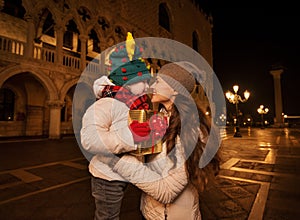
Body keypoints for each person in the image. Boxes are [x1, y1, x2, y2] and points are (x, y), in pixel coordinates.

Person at [98, 61, 221, 219]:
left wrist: (118, 161)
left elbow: (167, 192)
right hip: (149, 212)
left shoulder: (191, 130)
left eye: (158, 81)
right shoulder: (158, 119)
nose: (151, 85)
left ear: (175, 89)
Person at [80, 32, 161, 219]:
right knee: (108, 217)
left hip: (127, 172)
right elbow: (90, 139)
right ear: (128, 80)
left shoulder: (134, 103)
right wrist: (132, 137)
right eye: (142, 81)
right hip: (107, 177)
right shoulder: (106, 103)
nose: (146, 86)